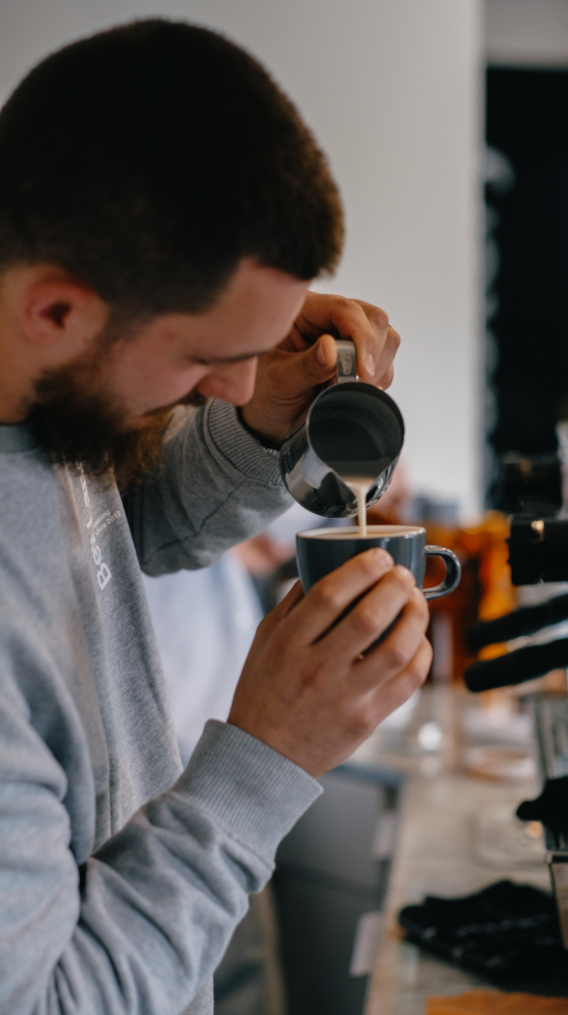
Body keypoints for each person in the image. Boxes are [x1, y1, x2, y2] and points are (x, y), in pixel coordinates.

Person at [0, 19, 432, 1015]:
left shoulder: (44, 408)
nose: (238, 383)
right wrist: (267, 758)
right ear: (58, 311)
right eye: (207, 358)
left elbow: (109, 534)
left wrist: (251, 431)